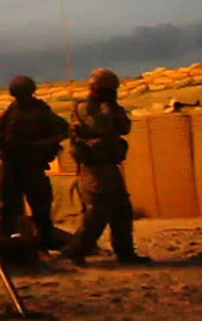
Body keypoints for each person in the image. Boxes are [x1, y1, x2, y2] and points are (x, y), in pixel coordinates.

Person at [62, 68, 150, 265]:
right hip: (92, 168)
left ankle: (126, 253)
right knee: (96, 215)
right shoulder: (85, 107)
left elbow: (125, 127)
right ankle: (73, 251)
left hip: (110, 166)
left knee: (122, 212)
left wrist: (112, 108)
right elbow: (98, 126)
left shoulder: (110, 106)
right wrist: (107, 108)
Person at [0, 75, 69, 251]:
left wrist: (39, 146)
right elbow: (2, 129)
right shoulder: (13, 109)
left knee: (40, 207)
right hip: (13, 165)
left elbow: (62, 130)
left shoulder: (41, 111)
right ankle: (6, 244)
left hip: (32, 165)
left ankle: (45, 243)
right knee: (8, 208)